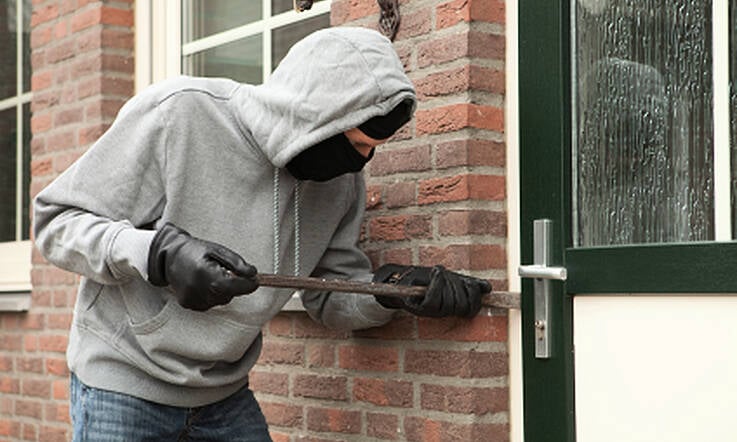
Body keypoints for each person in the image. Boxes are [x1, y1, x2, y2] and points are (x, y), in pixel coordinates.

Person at [33, 26, 492, 441]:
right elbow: (57, 222)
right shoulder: (180, 114)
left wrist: (390, 293)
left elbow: (329, 298)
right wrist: (159, 255)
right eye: (354, 144)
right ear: (316, 115)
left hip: (224, 395)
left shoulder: (341, 183)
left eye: (371, 151)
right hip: (123, 382)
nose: (359, 163)